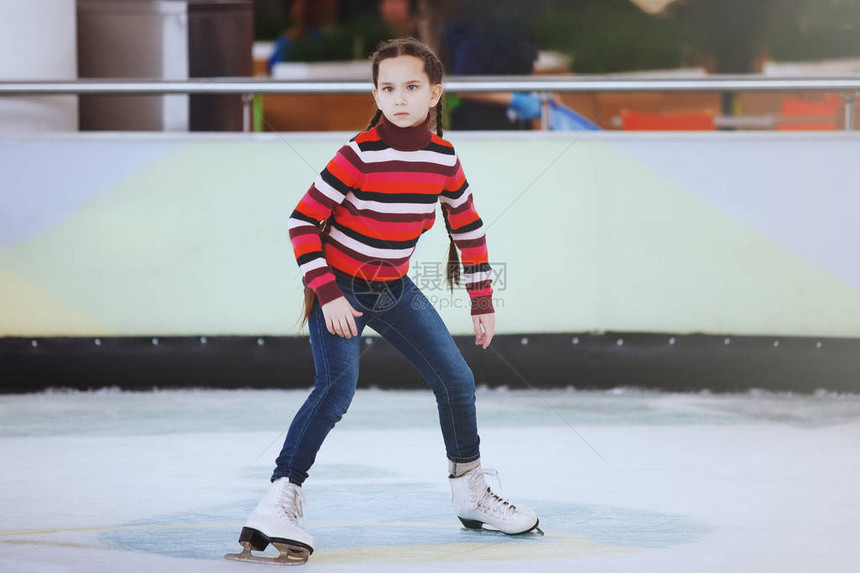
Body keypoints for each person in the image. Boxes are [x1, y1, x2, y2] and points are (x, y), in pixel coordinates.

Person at [226, 37, 540, 565]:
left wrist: (482, 299)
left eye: (412, 87)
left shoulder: (443, 158)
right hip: (340, 285)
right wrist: (327, 295)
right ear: (376, 93)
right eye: (388, 88)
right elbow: (302, 222)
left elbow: (467, 226)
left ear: (435, 94)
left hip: (391, 287)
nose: (399, 97)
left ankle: (471, 493)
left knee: (457, 380)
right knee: (337, 387)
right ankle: (281, 495)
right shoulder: (358, 153)